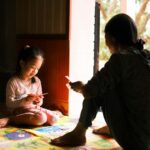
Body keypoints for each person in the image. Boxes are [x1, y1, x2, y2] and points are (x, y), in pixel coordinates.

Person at [50, 13, 150, 150]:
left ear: (111, 38)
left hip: (136, 142)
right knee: (112, 84)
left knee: (102, 87)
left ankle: (79, 133)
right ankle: (112, 127)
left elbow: (90, 90)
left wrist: (80, 87)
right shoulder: (146, 56)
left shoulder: (120, 59)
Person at [0, 46, 63, 127]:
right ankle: (10, 119)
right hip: (19, 111)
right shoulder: (13, 82)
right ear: (22, 63)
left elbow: (40, 102)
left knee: (54, 119)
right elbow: (9, 104)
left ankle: (47, 114)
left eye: (37, 69)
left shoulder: (37, 81)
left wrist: (38, 101)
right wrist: (25, 100)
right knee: (41, 118)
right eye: (32, 67)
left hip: (34, 108)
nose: (35, 71)